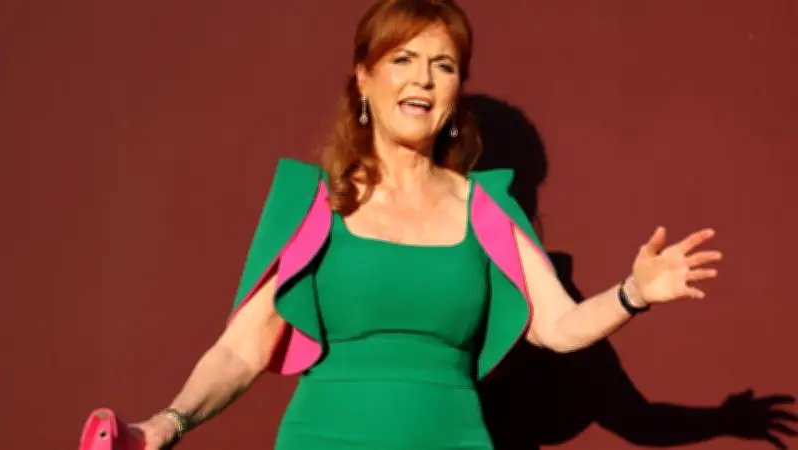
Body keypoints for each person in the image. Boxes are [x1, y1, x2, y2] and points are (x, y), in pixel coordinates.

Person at [130, 0, 722, 448]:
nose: (423, 79)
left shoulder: (485, 207)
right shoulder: (315, 201)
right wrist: (166, 423)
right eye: (402, 60)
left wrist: (634, 292)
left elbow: (559, 329)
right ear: (364, 78)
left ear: (455, 92)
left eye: (444, 65)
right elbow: (242, 350)